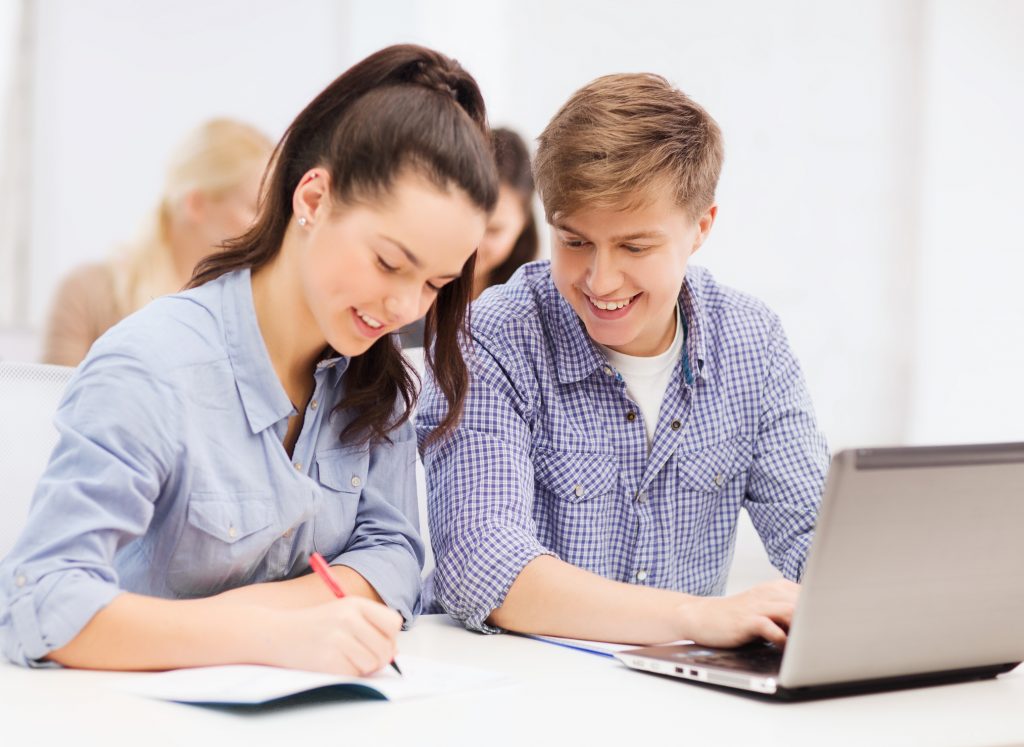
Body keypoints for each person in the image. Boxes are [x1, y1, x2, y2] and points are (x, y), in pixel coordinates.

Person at [0, 44, 497, 674]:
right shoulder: (152, 366)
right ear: (312, 201)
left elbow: (394, 553)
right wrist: (263, 633)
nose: (404, 306)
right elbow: (40, 601)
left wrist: (291, 623)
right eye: (389, 263)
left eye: (433, 284)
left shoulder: (377, 382)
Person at [418, 73, 829, 647]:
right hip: (513, 691)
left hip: (678, 699)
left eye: (635, 247)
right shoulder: (493, 336)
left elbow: (816, 536)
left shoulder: (750, 341)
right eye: (574, 241)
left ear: (701, 227)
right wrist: (695, 618)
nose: (600, 279)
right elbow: (481, 566)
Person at [41, 118, 273, 366]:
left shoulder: (255, 309)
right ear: (195, 204)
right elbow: (54, 401)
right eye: (255, 208)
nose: (268, 226)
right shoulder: (87, 293)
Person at [398, 127, 537, 348]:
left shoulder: (532, 310)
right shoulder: (397, 290)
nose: (474, 243)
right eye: (465, 221)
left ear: (523, 225)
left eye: (494, 230)